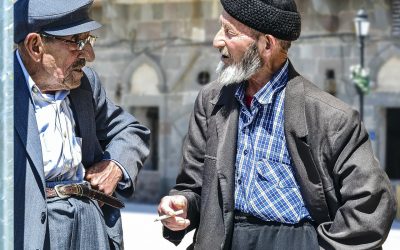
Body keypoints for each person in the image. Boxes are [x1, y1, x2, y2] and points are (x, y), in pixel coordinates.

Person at [158, 0, 397, 249]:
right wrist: (182, 205)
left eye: (229, 32)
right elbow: (193, 185)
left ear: (267, 44)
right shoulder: (211, 101)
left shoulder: (331, 117)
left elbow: (371, 202)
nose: (218, 41)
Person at [14, 0, 150, 249]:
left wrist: (115, 165)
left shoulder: (85, 85)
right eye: (77, 42)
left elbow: (131, 131)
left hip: (90, 226)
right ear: (35, 46)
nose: (89, 55)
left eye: (89, 41)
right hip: (31, 232)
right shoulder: (6, 95)